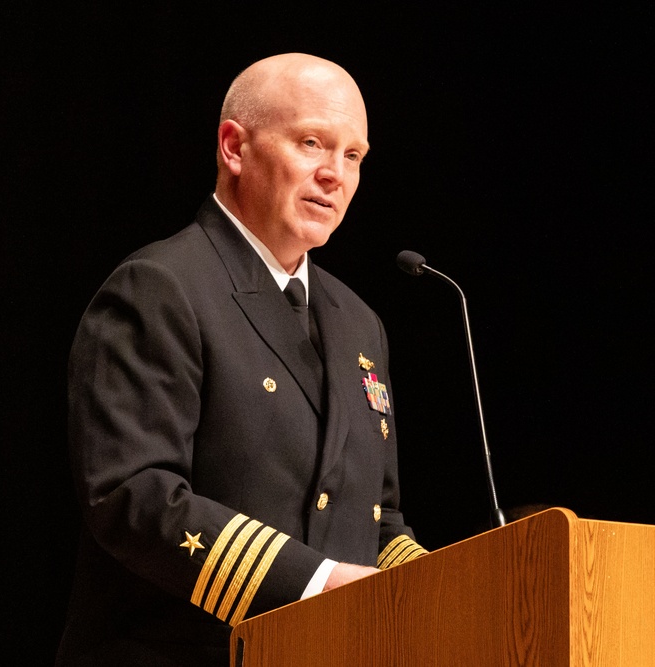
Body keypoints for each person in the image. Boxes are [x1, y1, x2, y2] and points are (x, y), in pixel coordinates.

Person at [56, 53, 426, 665]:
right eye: (312, 143)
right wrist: (316, 583)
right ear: (234, 147)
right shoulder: (161, 287)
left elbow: (378, 517)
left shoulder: (359, 321)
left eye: (353, 155)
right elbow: (133, 495)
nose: (335, 173)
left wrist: (444, 587)